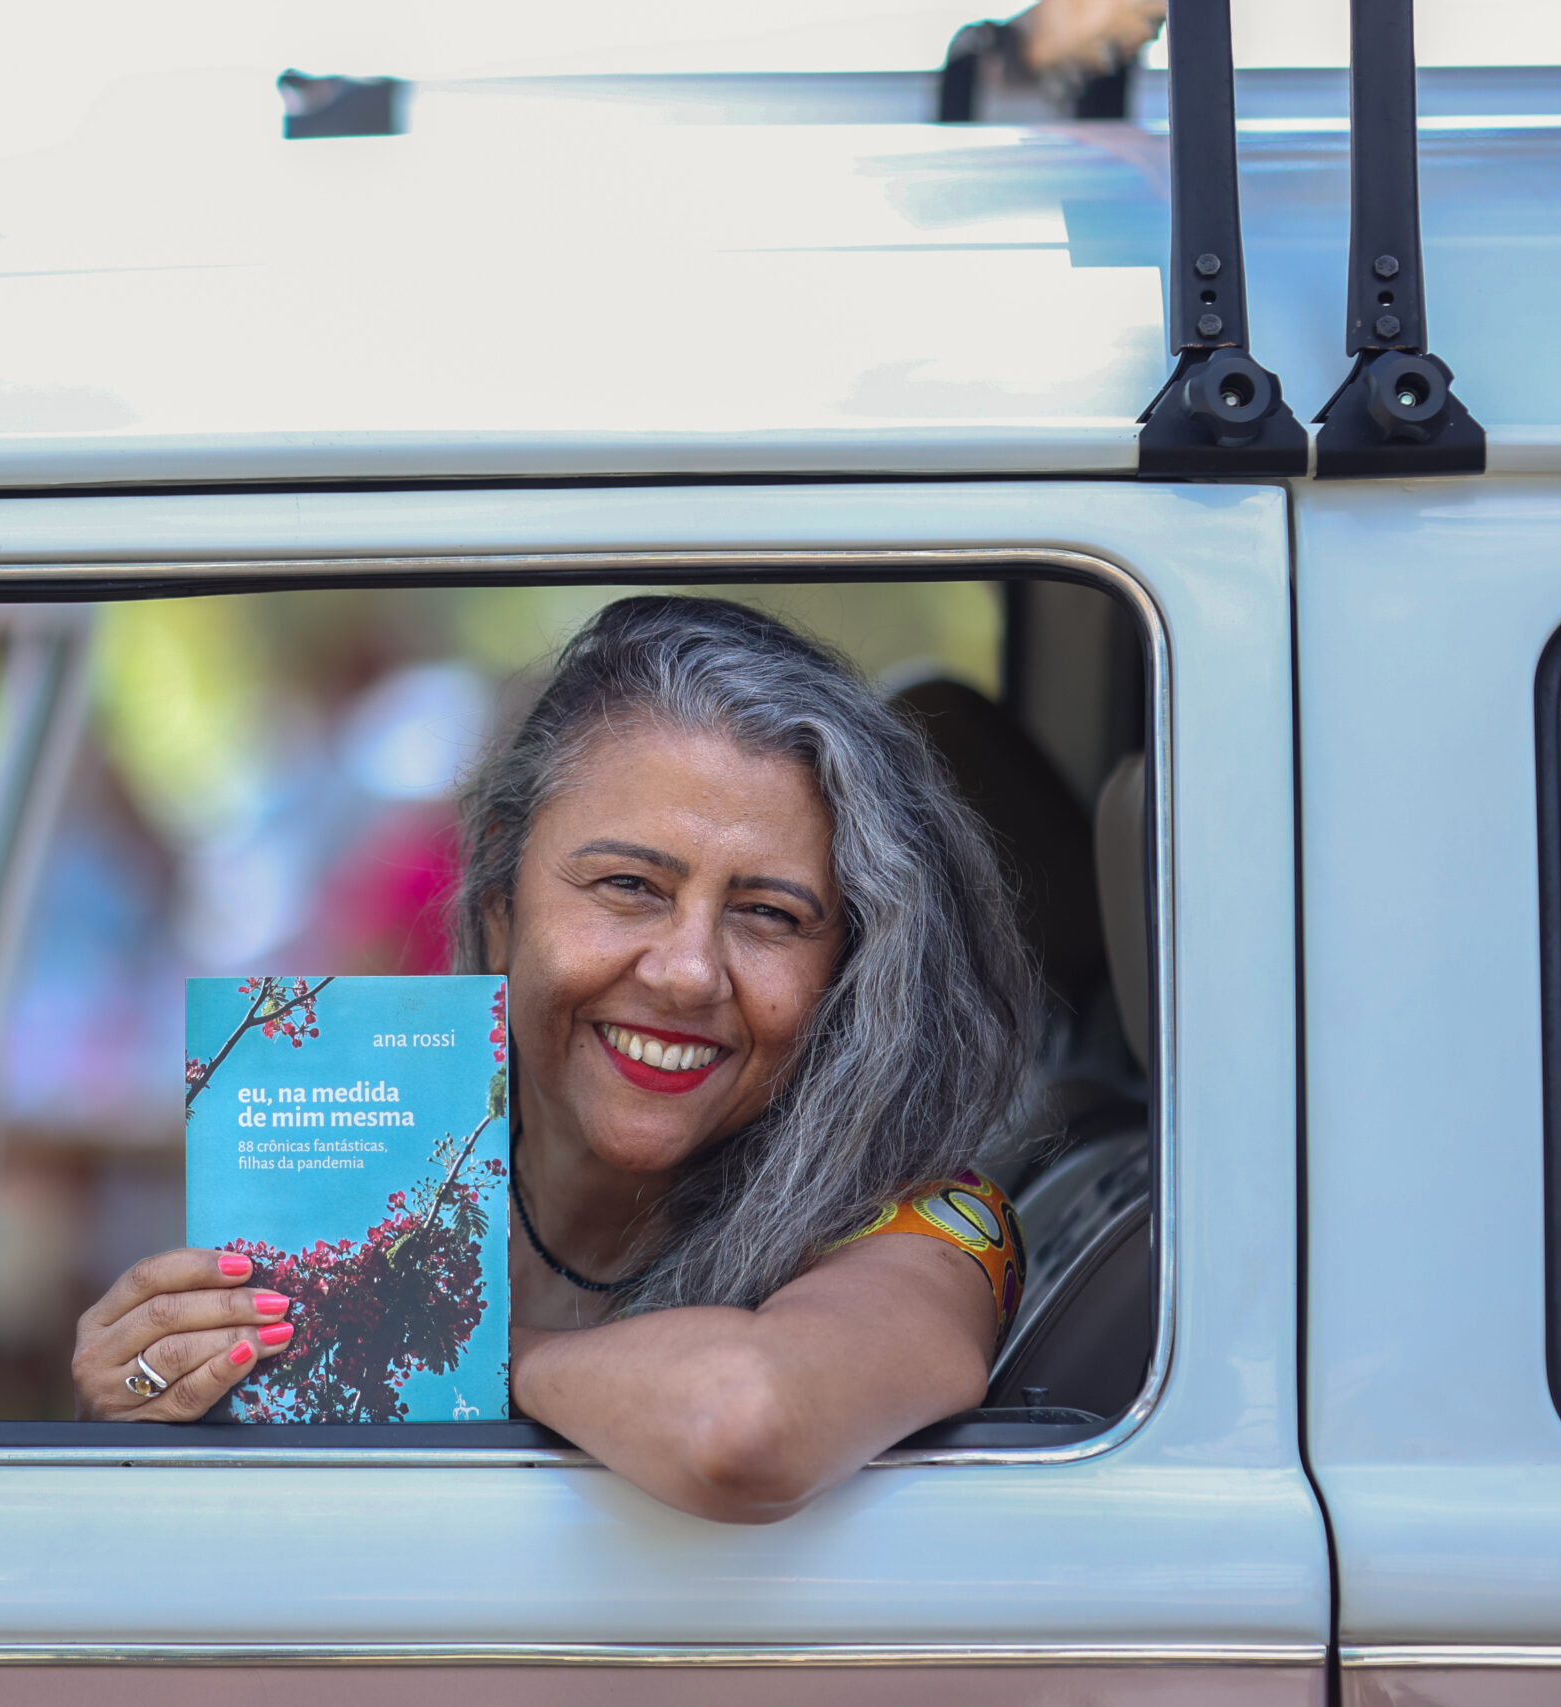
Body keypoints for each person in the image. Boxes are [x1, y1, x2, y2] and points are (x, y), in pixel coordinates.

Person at [71, 596, 1042, 1522]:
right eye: (628, 886)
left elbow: (743, 1418)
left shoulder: (923, 1224)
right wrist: (144, 1399)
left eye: (769, 915)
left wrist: (427, 1354)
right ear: (501, 901)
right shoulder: (359, 1139)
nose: (687, 972)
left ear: (846, 964)